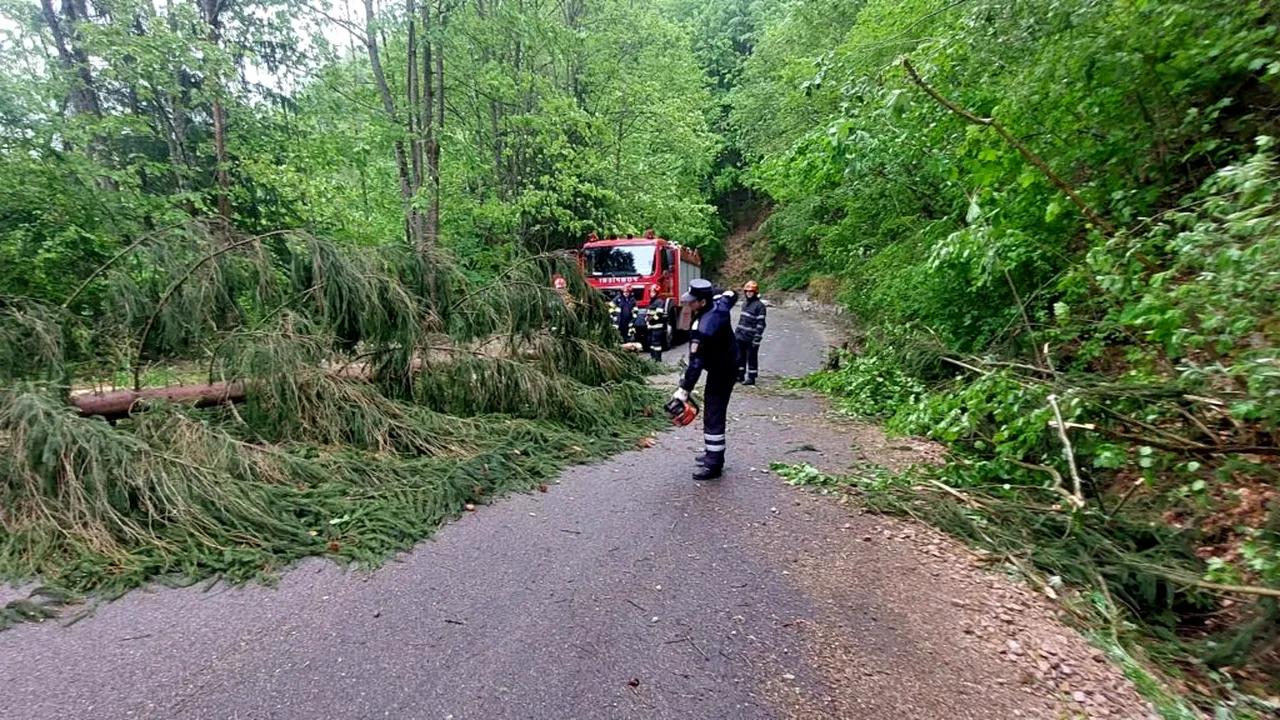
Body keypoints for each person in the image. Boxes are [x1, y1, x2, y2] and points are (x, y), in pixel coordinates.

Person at [672, 279, 739, 481]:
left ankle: (713, 464)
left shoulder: (704, 328)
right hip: (727, 363)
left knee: (713, 413)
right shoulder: (720, 304)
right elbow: (731, 294)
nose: (688, 304)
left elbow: (695, 365)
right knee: (713, 410)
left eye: (692, 301)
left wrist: (683, 391)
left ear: (702, 302)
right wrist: (718, 292)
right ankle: (712, 454)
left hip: (722, 370)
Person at [735, 280, 766, 385]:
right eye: (747, 291)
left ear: (755, 293)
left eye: (751, 292)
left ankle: (751, 378)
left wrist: (757, 337)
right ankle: (740, 375)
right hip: (740, 336)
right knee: (739, 357)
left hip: (751, 337)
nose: (749, 293)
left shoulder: (759, 306)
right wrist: (737, 333)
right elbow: (742, 321)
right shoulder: (745, 304)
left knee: (751, 358)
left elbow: (761, 323)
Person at [644, 283, 666, 361]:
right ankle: (653, 358)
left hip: (657, 327)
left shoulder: (659, 301)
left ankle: (657, 359)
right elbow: (649, 312)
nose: (651, 294)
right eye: (650, 292)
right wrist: (646, 318)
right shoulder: (651, 301)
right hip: (651, 327)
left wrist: (652, 319)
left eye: (653, 292)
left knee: (656, 344)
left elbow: (659, 314)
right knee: (651, 343)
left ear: (657, 293)